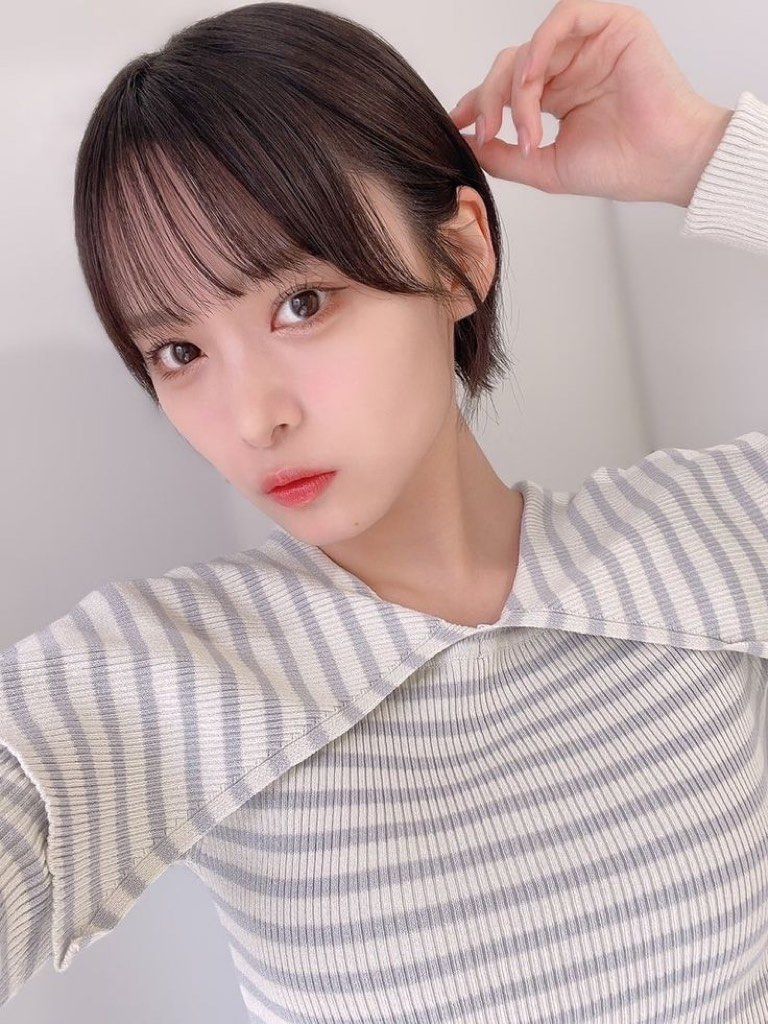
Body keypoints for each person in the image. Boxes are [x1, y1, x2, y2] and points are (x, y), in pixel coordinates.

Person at [1, 1, 766, 1019]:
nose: (254, 419)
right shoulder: (160, 672)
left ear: (460, 261)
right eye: (178, 352)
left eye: (302, 303)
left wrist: (705, 155)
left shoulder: (711, 530)